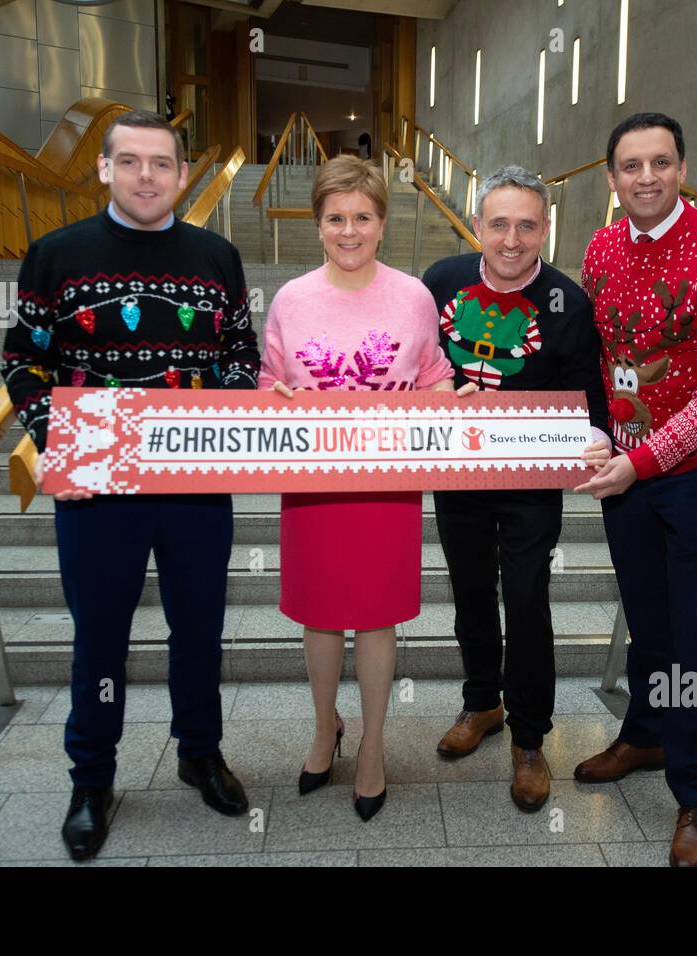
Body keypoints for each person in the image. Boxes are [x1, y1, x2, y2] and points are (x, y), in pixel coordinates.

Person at [1, 109, 260, 860]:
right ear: (105, 169)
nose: (147, 175)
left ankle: (199, 752)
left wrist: (214, 419)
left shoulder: (217, 257)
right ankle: (93, 777)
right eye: (131, 161)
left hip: (195, 482)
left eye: (162, 163)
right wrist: (61, 445)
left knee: (199, 628)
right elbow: (23, 361)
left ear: (184, 174)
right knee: (101, 639)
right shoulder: (56, 255)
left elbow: (240, 352)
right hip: (97, 489)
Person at [574, 112, 697, 867]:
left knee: (689, 634)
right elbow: (596, 355)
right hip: (625, 469)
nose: (645, 177)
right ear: (611, 176)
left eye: (660, 163)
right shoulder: (599, 247)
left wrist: (641, 460)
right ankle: (647, 735)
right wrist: (589, 435)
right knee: (646, 619)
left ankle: (696, 795)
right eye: (630, 166)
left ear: (683, 169)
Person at [258, 155, 461, 822]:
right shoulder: (290, 298)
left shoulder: (414, 296)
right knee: (319, 615)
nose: (349, 230)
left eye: (363, 217)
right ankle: (326, 727)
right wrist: (274, 396)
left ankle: (372, 744)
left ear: (382, 223)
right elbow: (268, 383)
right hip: (313, 485)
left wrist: (453, 403)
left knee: (377, 617)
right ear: (318, 224)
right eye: (335, 218)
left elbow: (433, 373)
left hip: (388, 486)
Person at [421, 165, 611, 813]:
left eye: (527, 225)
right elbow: (414, 371)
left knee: (527, 598)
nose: (511, 239)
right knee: (470, 590)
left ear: (545, 230)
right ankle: (483, 704)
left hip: (532, 481)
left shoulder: (567, 302)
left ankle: (530, 737)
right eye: (498, 223)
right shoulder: (440, 284)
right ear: (477, 224)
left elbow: (591, 402)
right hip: (457, 472)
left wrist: (597, 441)